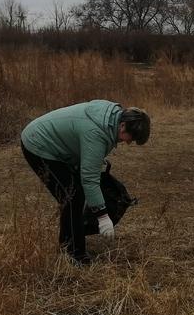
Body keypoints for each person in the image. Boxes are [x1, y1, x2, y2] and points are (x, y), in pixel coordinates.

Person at [20, 100, 150, 265]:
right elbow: (89, 178)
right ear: (123, 125)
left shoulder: (110, 118)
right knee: (72, 196)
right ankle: (75, 255)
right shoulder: (97, 132)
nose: (128, 142)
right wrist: (103, 217)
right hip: (38, 143)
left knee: (73, 194)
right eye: (130, 138)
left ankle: (69, 244)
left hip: (54, 144)